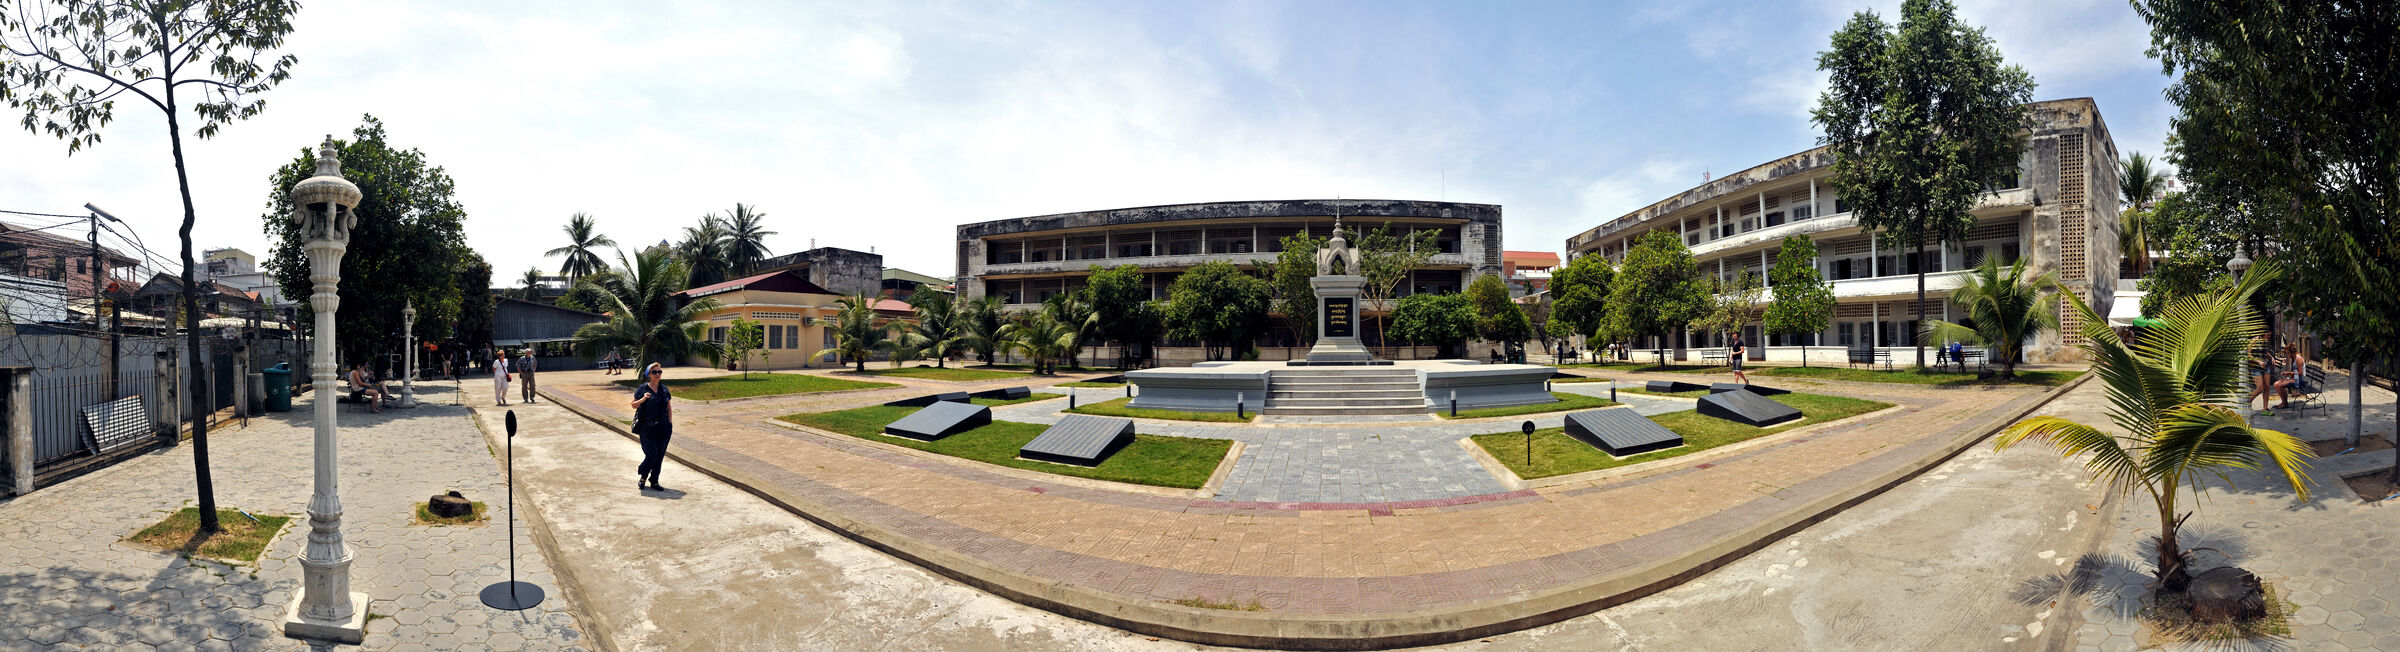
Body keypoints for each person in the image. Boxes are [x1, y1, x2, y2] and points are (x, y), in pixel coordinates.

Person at [631, 363, 674, 491]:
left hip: (663, 427)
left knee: (659, 455)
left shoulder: (664, 389)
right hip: (647, 428)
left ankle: (654, 481)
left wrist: (670, 424)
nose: (657, 374)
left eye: (659, 372)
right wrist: (643, 399)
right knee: (652, 454)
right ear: (648, 375)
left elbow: (669, 408)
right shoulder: (642, 389)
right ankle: (643, 477)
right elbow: (633, 405)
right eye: (654, 372)